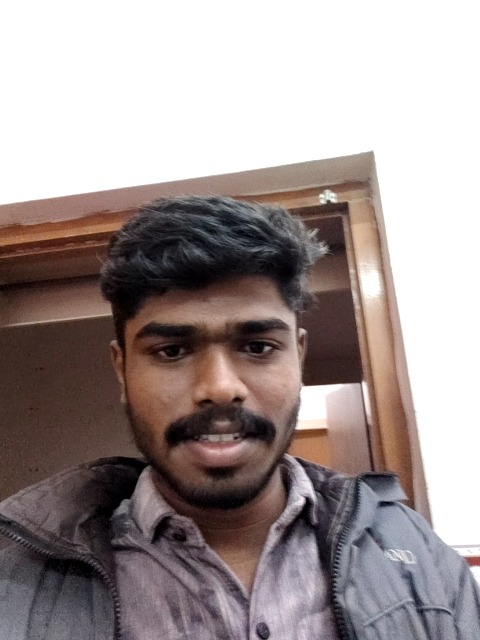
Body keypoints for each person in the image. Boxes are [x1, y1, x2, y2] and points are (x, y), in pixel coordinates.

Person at [0, 196, 479, 639]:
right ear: (122, 369)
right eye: (172, 351)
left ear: (299, 356)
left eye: (258, 347)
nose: (220, 387)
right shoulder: (13, 574)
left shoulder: (418, 556)